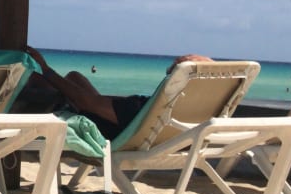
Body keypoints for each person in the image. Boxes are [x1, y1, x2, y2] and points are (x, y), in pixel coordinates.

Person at [26, 46, 212, 139]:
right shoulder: (199, 108)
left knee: (37, 81)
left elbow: (85, 102)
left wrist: (46, 69)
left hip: (102, 131)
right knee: (75, 77)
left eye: (170, 71)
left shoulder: (141, 108)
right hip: (161, 135)